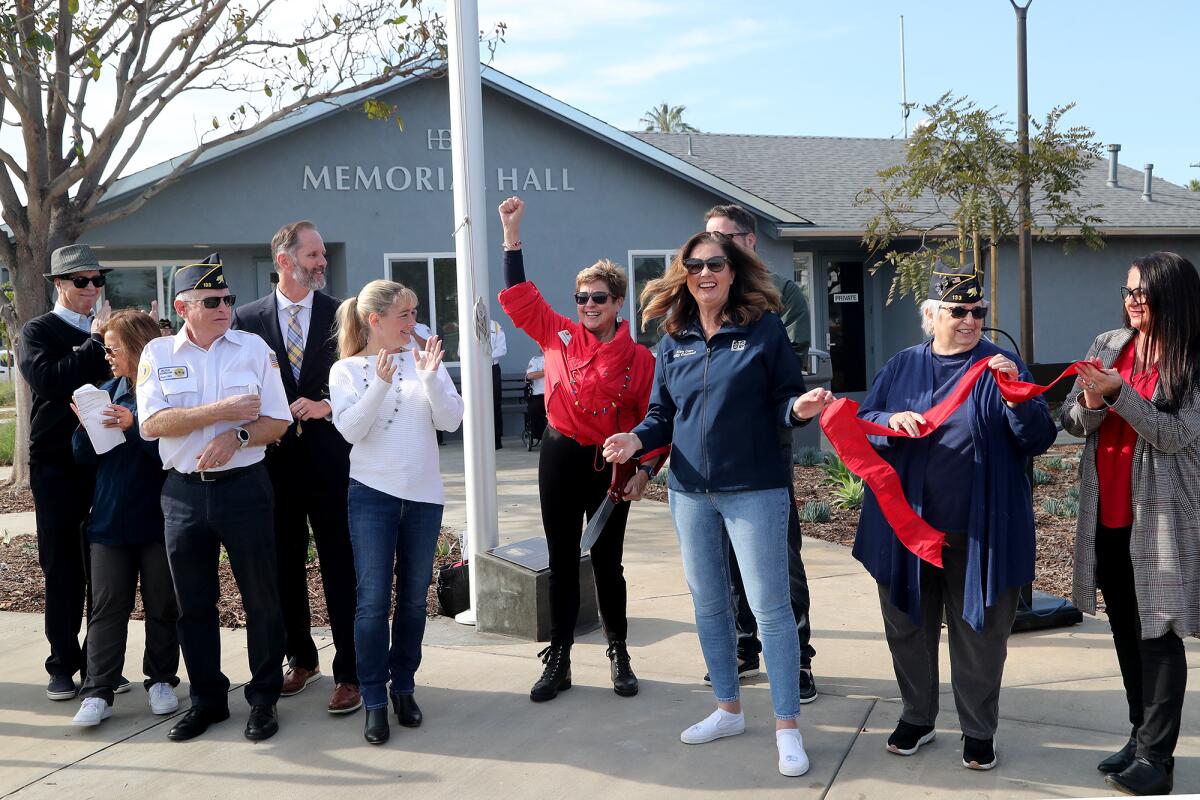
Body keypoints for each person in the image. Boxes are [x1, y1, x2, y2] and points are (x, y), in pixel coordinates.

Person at [603, 230, 830, 778]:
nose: (706, 273)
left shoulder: (763, 329)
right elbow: (662, 414)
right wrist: (636, 440)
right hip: (689, 491)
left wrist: (799, 409)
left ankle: (787, 726)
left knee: (770, 608)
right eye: (695, 265)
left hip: (754, 488)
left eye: (716, 264)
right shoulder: (673, 337)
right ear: (685, 273)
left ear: (734, 271)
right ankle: (727, 709)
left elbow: (783, 400)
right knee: (709, 605)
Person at [852, 264, 1055, 771]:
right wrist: (889, 420)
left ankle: (978, 730)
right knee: (907, 624)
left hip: (983, 527)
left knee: (981, 632)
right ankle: (918, 716)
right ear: (932, 315)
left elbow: (1038, 437)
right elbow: (863, 421)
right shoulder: (902, 366)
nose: (970, 320)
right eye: (958, 311)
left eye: (978, 312)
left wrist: (1015, 397)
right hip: (908, 526)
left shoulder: (1002, 365)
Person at [497, 196, 663, 704]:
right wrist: (512, 234)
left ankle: (619, 652)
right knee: (563, 560)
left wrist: (644, 473)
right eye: (582, 297)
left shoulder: (638, 358)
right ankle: (561, 658)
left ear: (618, 303)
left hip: (609, 466)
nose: (588, 305)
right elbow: (520, 295)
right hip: (559, 457)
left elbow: (655, 422)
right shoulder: (558, 333)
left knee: (608, 563)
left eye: (599, 298)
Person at [136, 254, 291, 743]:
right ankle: (208, 700)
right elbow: (151, 424)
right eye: (212, 301)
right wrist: (219, 412)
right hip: (182, 494)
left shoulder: (252, 348)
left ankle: (263, 699)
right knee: (193, 604)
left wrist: (237, 437)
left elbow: (278, 420)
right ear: (183, 307)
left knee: (261, 598)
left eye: (228, 299)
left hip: (245, 490)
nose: (224, 307)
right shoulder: (158, 355)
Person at [1062, 252, 1200, 797]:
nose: (1131, 301)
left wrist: (1120, 393)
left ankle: (1158, 760)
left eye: (1141, 293)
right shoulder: (1108, 344)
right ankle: (1139, 737)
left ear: (1173, 295)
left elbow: (1174, 434)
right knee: (1124, 628)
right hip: (1108, 510)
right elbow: (1073, 420)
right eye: (1126, 291)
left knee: (1159, 634)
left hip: (1163, 516)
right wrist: (1093, 399)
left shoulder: (1193, 358)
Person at [233, 221, 360, 715]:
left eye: (323, 255)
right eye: (312, 255)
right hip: (273, 466)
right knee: (283, 565)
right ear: (283, 261)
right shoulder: (245, 319)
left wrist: (325, 401)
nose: (321, 263)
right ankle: (301, 659)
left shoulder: (343, 314)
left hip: (331, 464)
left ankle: (349, 671)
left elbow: (362, 373)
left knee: (340, 566)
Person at [328, 280, 463, 745]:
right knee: (371, 603)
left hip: (423, 496)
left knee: (411, 601)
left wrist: (429, 375)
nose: (413, 323)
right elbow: (350, 430)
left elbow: (450, 421)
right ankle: (374, 699)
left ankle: (403, 687)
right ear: (375, 321)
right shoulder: (346, 370)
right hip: (372, 495)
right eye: (404, 315)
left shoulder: (424, 359)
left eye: (415, 313)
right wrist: (381, 384)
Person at [703, 203, 818, 703]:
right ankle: (745, 647)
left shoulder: (783, 294)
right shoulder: (701, 295)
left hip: (766, 449)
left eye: (724, 237)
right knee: (726, 555)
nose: (713, 248)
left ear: (749, 242)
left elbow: (780, 370)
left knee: (778, 555)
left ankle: (797, 659)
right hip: (713, 454)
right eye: (707, 237)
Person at [69, 310, 180, 726]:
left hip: (157, 517)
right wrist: (84, 428)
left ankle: (162, 680)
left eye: (113, 348)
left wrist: (134, 426)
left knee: (163, 604)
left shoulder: (166, 394)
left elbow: (171, 456)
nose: (108, 356)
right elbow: (85, 458)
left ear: (136, 348)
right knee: (106, 606)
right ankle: (98, 690)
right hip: (110, 520)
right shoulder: (104, 390)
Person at [17, 244, 117, 701]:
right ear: (59, 284)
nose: (92, 289)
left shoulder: (109, 331)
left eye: (98, 280)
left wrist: (108, 340)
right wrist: (96, 345)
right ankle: (62, 662)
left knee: (106, 564)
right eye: (82, 281)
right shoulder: (37, 330)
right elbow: (51, 381)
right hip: (56, 463)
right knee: (61, 564)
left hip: (105, 458)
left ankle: (102, 664)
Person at [491, 319, 507, 448]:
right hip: (474, 369)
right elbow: (460, 351)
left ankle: (496, 439)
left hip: (492, 368)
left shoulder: (495, 326)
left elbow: (502, 349)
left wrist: (484, 356)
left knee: (494, 404)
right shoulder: (468, 324)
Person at [525, 348, 547, 441]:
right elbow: (530, 375)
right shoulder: (535, 361)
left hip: (555, 395)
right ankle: (541, 436)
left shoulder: (559, 360)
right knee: (535, 408)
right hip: (538, 395)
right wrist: (546, 372)